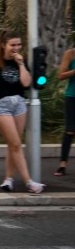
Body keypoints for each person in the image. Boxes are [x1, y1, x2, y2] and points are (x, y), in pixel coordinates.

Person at [0, 31, 43, 193]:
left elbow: (26, 83)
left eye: (18, 45)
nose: (16, 48)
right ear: (3, 45)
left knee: (12, 144)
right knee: (15, 144)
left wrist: (21, 64)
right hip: (0, 105)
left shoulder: (20, 62)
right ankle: (29, 182)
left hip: (19, 103)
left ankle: (8, 179)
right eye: (12, 45)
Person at [58, 45, 75, 176]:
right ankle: (62, 165)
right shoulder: (70, 53)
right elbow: (61, 75)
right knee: (70, 130)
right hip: (72, 96)